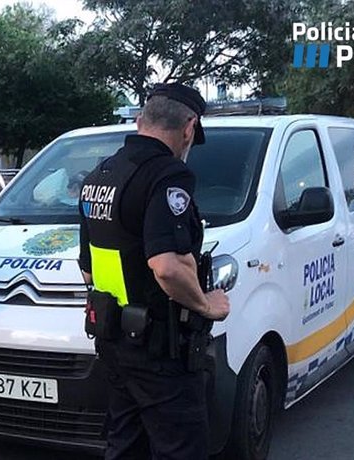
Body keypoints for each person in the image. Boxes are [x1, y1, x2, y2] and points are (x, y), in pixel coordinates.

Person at [78, 83, 230, 460]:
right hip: (160, 351)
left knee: (126, 446)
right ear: (189, 127)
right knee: (181, 450)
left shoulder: (101, 174)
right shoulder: (168, 175)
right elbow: (167, 266)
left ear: (139, 120)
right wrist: (207, 305)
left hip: (114, 341)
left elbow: (88, 269)